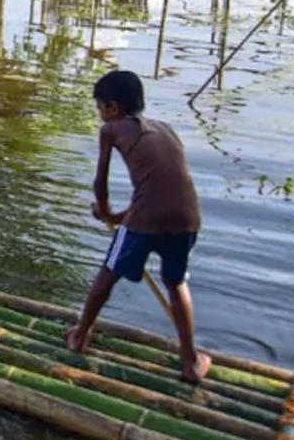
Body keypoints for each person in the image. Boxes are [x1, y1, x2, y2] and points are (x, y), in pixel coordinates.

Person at [66, 70, 211, 384]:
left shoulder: (111, 129)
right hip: (187, 219)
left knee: (108, 272)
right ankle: (190, 361)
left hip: (146, 218)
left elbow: (100, 181)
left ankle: (80, 335)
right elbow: (163, 188)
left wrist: (103, 210)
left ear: (113, 108)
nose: (100, 115)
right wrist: (119, 218)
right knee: (176, 283)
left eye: (100, 108)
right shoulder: (167, 130)